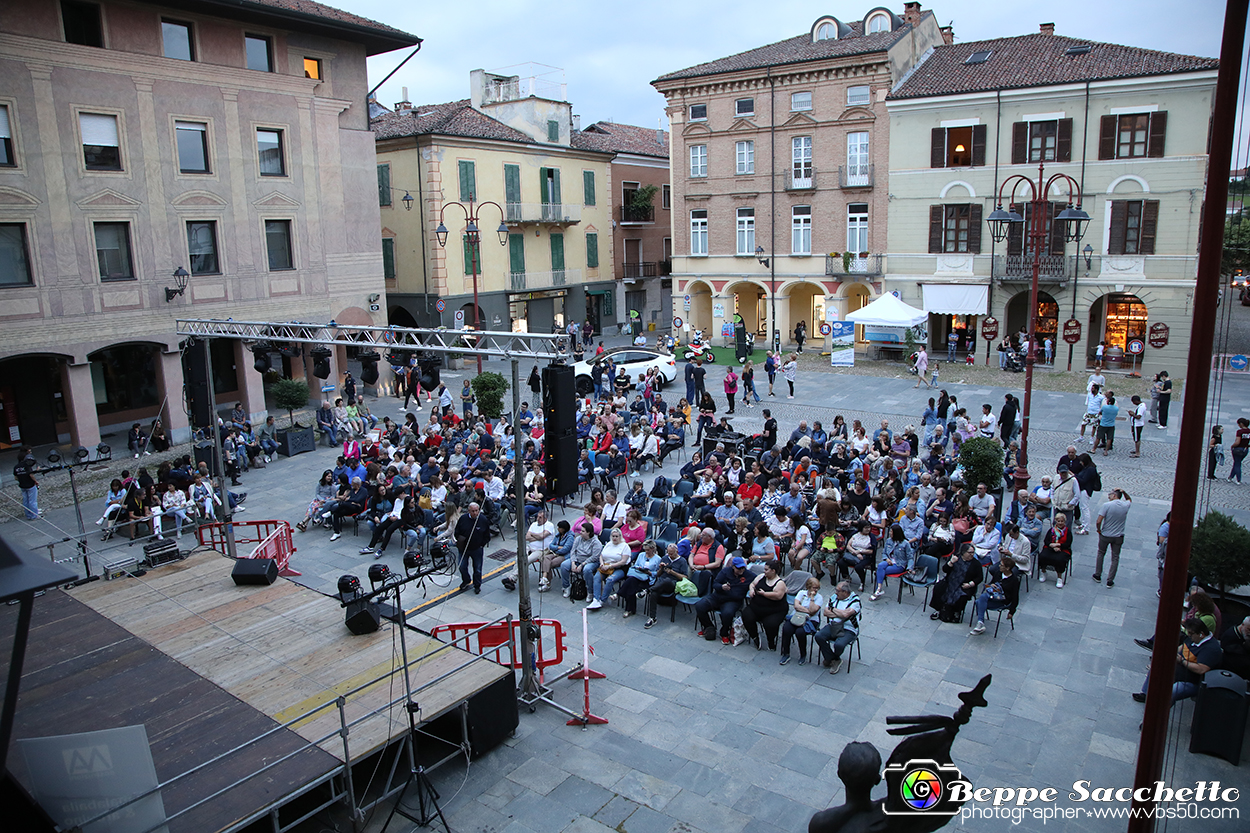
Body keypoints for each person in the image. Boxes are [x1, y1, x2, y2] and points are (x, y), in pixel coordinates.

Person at [1132, 618, 1222, 706]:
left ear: (1201, 634)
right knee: (1157, 668)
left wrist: (1182, 661)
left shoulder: (1211, 649)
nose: (1189, 636)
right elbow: (1181, 648)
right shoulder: (1193, 639)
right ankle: (1146, 694)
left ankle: (1157, 713)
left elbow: (1201, 669)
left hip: (1192, 681)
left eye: (1191, 634)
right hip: (1179, 671)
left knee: (1172, 692)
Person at [694, 555, 752, 644]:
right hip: (718, 596)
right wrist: (721, 587)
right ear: (733, 567)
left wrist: (752, 587)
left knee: (727, 613)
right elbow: (715, 584)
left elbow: (759, 579)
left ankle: (724, 632)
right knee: (700, 605)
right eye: (738, 568)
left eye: (742, 568)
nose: (741, 570)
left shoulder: (748, 575)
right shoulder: (725, 571)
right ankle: (708, 627)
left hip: (733, 600)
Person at [814, 580, 861, 674]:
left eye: (838, 590)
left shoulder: (855, 601)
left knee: (839, 644)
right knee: (819, 636)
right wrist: (840, 613)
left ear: (845, 592)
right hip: (833, 625)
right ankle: (833, 659)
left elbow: (845, 614)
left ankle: (832, 659)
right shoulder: (834, 597)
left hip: (848, 629)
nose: (835, 592)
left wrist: (833, 609)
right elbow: (826, 612)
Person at [929, 544, 983, 623]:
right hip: (951, 581)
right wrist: (951, 562)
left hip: (965, 585)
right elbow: (945, 569)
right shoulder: (955, 558)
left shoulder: (976, 564)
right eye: (970, 552)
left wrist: (970, 584)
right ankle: (939, 609)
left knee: (961, 595)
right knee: (939, 588)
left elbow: (980, 577)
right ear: (963, 553)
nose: (972, 554)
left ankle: (956, 612)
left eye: (973, 553)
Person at [968, 555, 1020, 635]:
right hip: (992, 596)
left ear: (1007, 568)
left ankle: (980, 623)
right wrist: (992, 585)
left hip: (1002, 601)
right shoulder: (998, 573)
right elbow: (991, 583)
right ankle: (980, 623)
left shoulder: (1014, 580)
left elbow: (1015, 596)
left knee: (980, 601)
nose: (999, 566)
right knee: (982, 598)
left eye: (1001, 565)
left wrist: (1012, 611)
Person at [643, 543, 690, 629]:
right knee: (654, 593)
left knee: (667, 581)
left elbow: (685, 577)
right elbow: (658, 574)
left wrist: (673, 573)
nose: (670, 555)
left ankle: (647, 590)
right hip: (661, 583)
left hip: (673, 583)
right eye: (668, 553)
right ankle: (652, 618)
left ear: (677, 552)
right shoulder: (665, 558)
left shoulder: (682, 561)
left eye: (672, 553)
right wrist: (661, 568)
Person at [779, 576, 822, 665]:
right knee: (786, 629)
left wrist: (812, 598)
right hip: (796, 616)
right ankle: (786, 653)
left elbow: (814, 610)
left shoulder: (819, 597)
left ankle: (803, 654)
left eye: (817, 588)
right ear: (809, 587)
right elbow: (796, 606)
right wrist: (808, 611)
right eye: (814, 587)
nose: (816, 589)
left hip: (810, 620)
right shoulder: (801, 593)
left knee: (800, 632)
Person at [1093, 487, 1131, 588]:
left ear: (1114, 496)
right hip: (1118, 536)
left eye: (1110, 494)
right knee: (1115, 557)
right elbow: (1129, 500)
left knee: (1101, 553)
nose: (1108, 496)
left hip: (1106, 534)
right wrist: (1124, 492)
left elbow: (1098, 521)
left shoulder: (1106, 505)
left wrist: (1099, 529)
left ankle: (1097, 574)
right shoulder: (1125, 505)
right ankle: (1110, 580)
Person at [589, 527, 631, 610]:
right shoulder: (608, 544)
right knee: (597, 578)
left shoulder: (625, 546)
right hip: (605, 566)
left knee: (610, 580)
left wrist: (610, 566)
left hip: (619, 568)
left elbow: (623, 561)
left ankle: (602, 600)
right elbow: (601, 555)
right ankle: (595, 599)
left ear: (620, 537)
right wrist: (601, 564)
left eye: (616, 536)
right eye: (613, 536)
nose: (614, 538)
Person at [618, 540, 662, 618]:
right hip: (638, 575)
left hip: (648, 578)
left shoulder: (658, 559)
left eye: (648, 550)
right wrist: (640, 568)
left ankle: (621, 599)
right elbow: (636, 565)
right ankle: (629, 609)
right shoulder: (641, 555)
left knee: (630, 584)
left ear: (653, 549)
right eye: (645, 550)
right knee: (631, 583)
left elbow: (658, 573)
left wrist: (650, 573)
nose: (646, 552)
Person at [454, 502, 491, 593]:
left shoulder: (483, 520)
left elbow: (487, 535)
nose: (475, 513)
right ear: (468, 511)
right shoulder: (463, 519)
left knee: (477, 569)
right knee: (462, 566)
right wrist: (460, 540)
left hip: (477, 549)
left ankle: (477, 585)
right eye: (472, 511)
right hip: (464, 548)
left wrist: (481, 544)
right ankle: (466, 580)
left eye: (476, 511)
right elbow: (457, 531)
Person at [561, 521, 603, 598]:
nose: (580, 532)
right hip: (577, 559)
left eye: (583, 531)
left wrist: (582, 564)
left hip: (590, 561)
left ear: (589, 533)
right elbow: (573, 551)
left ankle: (590, 591)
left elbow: (594, 557)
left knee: (587, 570)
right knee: (564, 565)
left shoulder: (596, 543)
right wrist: (573, 562)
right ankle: (566, 586)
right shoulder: (578, 539)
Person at [1038, 512, 1072, 586]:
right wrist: (1052, 545)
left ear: (1064, 522)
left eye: (1062, 521)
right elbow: (1046, 541)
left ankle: (1059, 577)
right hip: (1050, 548)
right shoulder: (1051, 530)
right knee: (1042, 556)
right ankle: (1043, 572)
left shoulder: (1068, 532)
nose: (1060, 523)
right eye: (1058, 521)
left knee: (1060, 559)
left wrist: (1058, 545)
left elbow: (1068, 543)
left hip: (1063, 549)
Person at [13, 448, 39, 520]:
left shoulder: (16, 467)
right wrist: (36, 481)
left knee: (25, 501)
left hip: (22, 485)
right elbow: (31, 475)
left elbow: (15, 477)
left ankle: (28, 515)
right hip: (30, 484)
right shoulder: (27, 465)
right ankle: (34, 515)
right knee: (32, 501)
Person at [1231, 417, 1250, 484]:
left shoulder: (1240, 432)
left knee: (1237, 464)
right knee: (1237, 462)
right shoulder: (1249, 431)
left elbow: (1238, 442)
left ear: (1241, 424)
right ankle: (1230, 477)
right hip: (1245, 449)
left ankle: (1238, 479)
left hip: (1238, 449)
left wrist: (1232, 446)